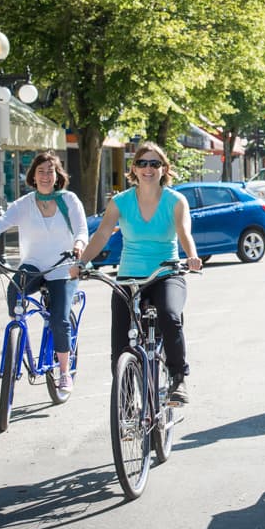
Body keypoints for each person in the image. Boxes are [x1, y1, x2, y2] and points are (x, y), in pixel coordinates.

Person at [71, 142, 201, 405]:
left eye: (155, 164)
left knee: (169, 314)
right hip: (129, 278)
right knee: (120, 345)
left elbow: (183, 232)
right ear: (134, 168)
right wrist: (83, 262)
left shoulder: (175, 201)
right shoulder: (120, 202)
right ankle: (127, 403)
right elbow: (102, 234)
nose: (148, 169)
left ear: (164, 169)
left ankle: (178, 378)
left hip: (167, 273)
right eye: (143, 163)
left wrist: (192, 257)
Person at [0, 151, 88, 392]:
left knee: (59, 319)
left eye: (50, 171)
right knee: (15, 295)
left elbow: (82, 230)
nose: (45, 176)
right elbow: (1, 223)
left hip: (62, 267)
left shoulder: (69, 200)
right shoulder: (25, 203)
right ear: (33, 175)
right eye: (41, 171)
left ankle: (64, 372)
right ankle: (17, 342)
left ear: (57, 176)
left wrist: (78, 245)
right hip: (33, 265)